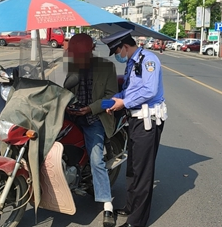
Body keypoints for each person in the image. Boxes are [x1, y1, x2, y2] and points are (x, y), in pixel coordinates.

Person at [101, 30, 167, 227]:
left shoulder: (149, 60)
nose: (118, 56)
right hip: (135, 119)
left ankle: (137, 221)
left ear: (125, 47)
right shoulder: (132, 62)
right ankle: (130, 206)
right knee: (132, 168)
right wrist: (117, 98)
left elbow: (149, 90)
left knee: (142, 172)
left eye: (118, 51)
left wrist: (124, 102)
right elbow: (131, 89)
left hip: (148, 120)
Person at [65, 33, 118, 227]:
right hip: (72, 115)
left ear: (90, 51)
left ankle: (107, 205)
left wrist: (90, 109)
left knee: (96, 160)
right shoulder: (73, 66)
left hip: (93, 118)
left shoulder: (107, 67)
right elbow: (66, 91)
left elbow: (111, 98)